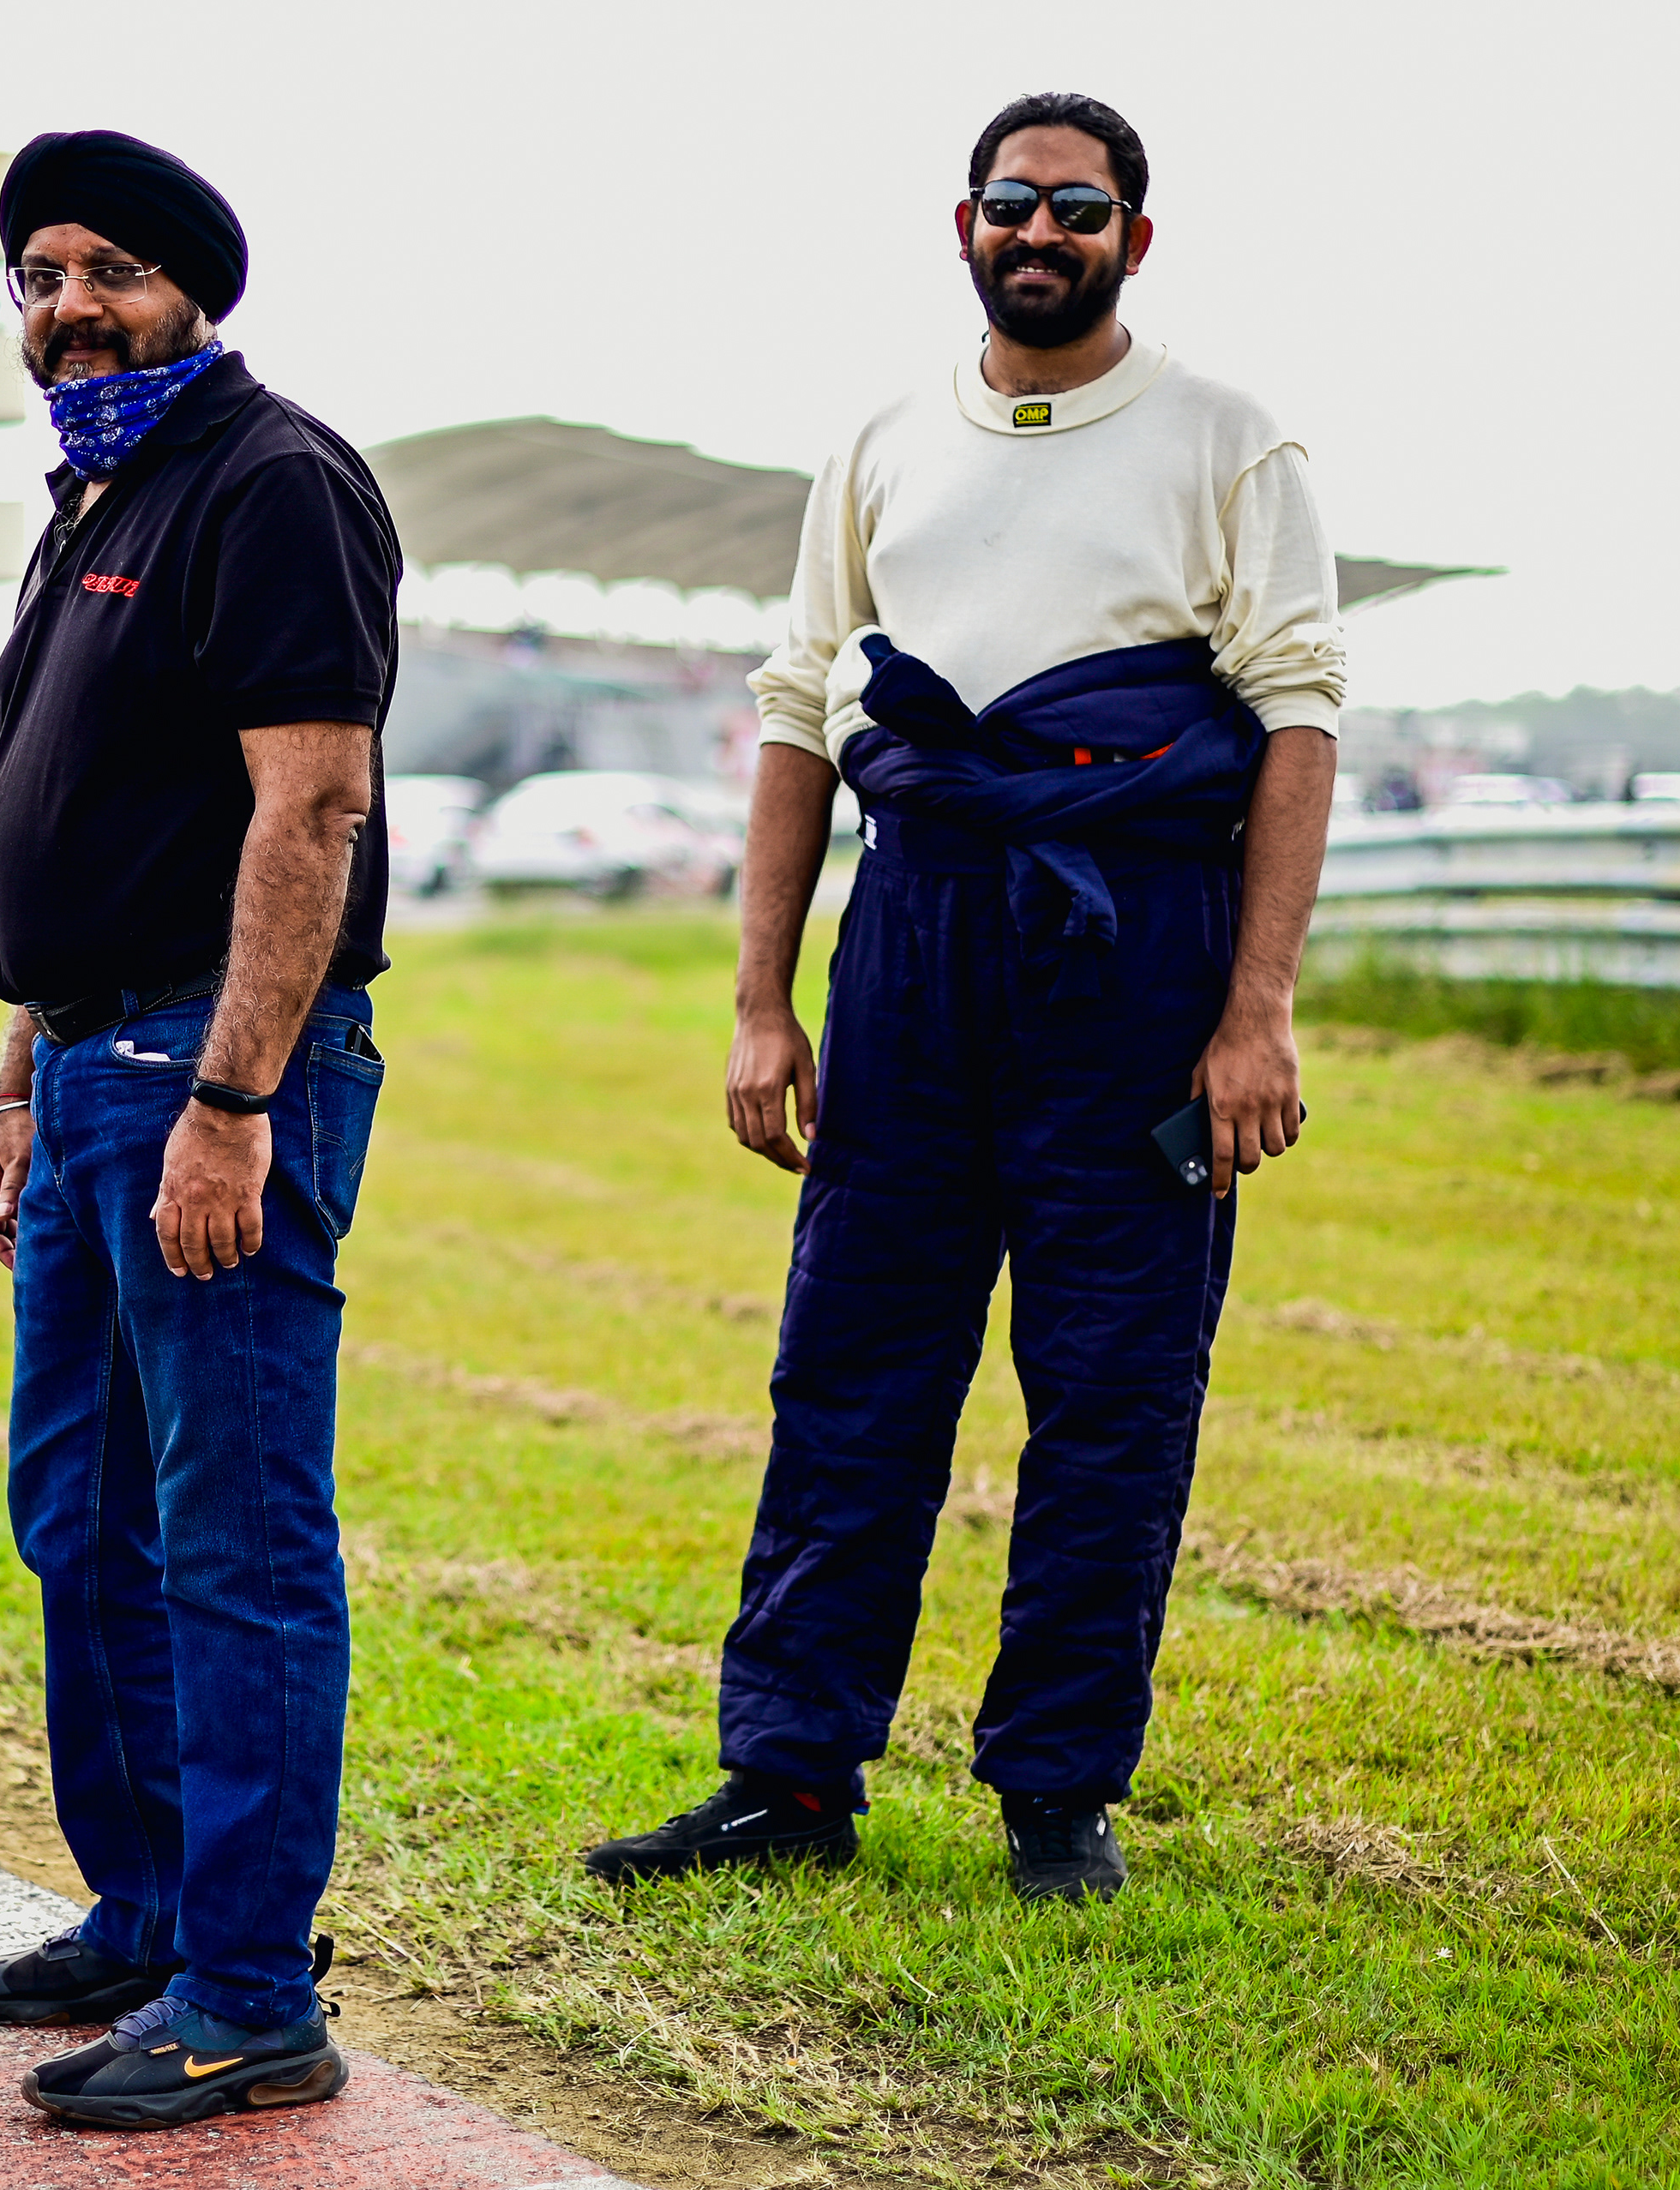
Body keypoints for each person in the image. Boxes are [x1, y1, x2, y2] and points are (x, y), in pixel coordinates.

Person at [584, 93, 1341, 1904]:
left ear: (1133, 241)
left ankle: (1057, 1791)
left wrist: (1256, 1011)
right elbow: (797, 710)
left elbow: (1299, 715)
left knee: (1111, 1389)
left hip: (1135, 944)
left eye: (1077, 207)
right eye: (1012, 200)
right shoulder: (882, 440)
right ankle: (791, 1775)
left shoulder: (1229, 441)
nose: (1040, 228)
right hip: (913, 940)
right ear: (964, 222)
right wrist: (765, 1002)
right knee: (849, 1369)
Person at [0, 131, 399, 2131]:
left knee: (229, 1542)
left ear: (191, 293)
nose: (66, 305)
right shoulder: (95, 498)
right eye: (36, 273)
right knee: (82, 1521)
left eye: (108, 269)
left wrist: (229, 1100)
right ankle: (143, 1909)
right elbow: (71, 825)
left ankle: (246, 1990)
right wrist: (22, 1072)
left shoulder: (270, 483)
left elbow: (310, 812)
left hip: (206, 1085)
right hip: (85, 1071)